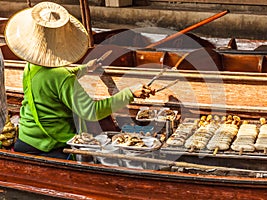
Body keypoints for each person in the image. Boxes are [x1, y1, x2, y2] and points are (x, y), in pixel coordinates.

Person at [4, 2, 155, 159]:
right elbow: (91, 112)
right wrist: (129, 93)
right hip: (51, 142)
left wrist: (84, 69)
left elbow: (50, 79)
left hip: (26, 136)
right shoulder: (62, 77)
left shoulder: (32, 64)